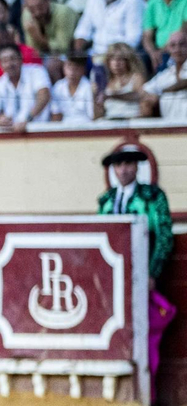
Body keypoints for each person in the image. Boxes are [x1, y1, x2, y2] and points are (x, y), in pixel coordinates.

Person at [98, 144, 175, 384]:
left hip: (144, 279)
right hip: (114, 282)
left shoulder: (153, 197)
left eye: (127, 164)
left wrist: (153, 273)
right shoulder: (106, 201)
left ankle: (146, 387)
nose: (122, 170)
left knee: (146, 333)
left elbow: (164, 236)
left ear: (136, 167)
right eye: (118, 165)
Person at [74, 0, 145, 59]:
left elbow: (133, 40)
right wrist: (78, 51)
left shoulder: (132, 0)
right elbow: (83, 29)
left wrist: (109, 57)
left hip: (121, 57)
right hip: (95, 54)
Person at [0, 43, 51, 128]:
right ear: (0, 64)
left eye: (13, 59)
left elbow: (44, 96)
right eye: (5, 61)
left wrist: (27, 119)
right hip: (12, 135)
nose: (9, 64)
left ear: (21, 58)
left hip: (39, 131)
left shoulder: (36, 71)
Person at [144, 0, 187, 70]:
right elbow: (147, 35)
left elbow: (184, 30)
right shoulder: (153, 2)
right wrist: (152, 52)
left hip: (179, 47)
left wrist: (161, 52)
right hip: (158, 50)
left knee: (164, 60)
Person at [49, 52, 96, 123]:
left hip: (85, 126)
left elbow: (92, 116)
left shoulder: (88, 87)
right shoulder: (58, 86)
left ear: (83, 69)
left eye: (76, 68)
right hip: (63, 128)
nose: (72, 72)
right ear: (64, 67)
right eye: (69, 66)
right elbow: (55, 114)